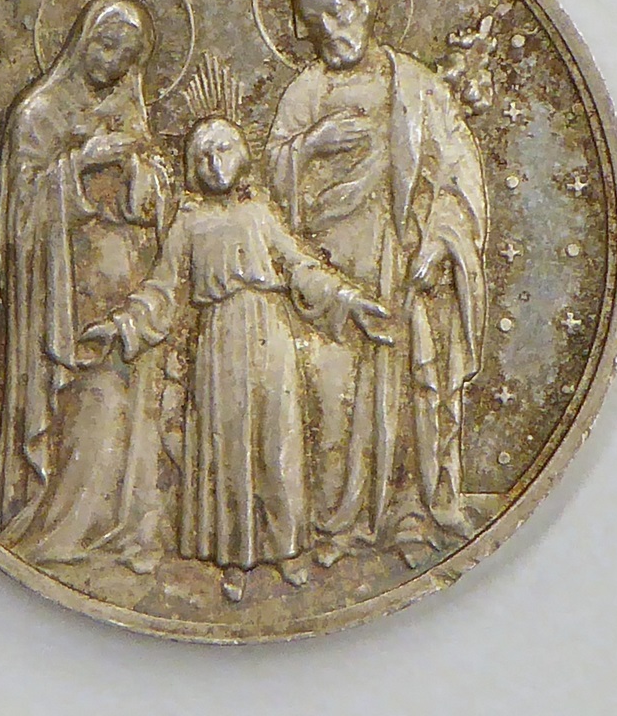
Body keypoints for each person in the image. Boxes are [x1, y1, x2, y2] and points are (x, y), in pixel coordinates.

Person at [82, 115, 391, 602]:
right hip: (217, 341)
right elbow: (162, 289)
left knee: (278, 443)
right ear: (193, 165)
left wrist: (348, 300)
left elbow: (299, 266)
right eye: (203, 155)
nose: (214, 164)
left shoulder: (259, 212)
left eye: (223, 150)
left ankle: (286, 549)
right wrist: (122, 325)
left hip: (270, 334)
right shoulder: (188, 221)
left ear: (241, 154)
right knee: (224, 449)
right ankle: (231, 558)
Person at [266, 0, 487, 553]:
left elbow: (457, 172)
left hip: (400, 259)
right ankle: (335, 521)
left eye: (337, 12)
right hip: (329, 270)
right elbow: (270, 180)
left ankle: (409, 510)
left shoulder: (415, 85)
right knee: (332, 397)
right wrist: (310, 145)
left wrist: (439, 242)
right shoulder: (306, 90)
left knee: (411, 383)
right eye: (315, 20)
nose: (328, 29)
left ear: (364, 8)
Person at [0, 0, 170, 573]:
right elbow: (20, 217)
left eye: (127, 56)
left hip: (125, 286)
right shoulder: (38, 113)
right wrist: (83, 162)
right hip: (64, 294)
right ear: (82, 40)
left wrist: (141, 170)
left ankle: (120, 526)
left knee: (123, 401)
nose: (113, 63)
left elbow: (154, 198)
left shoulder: (128, 110)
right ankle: (62, 524)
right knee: (84, 403)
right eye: (106, 45)